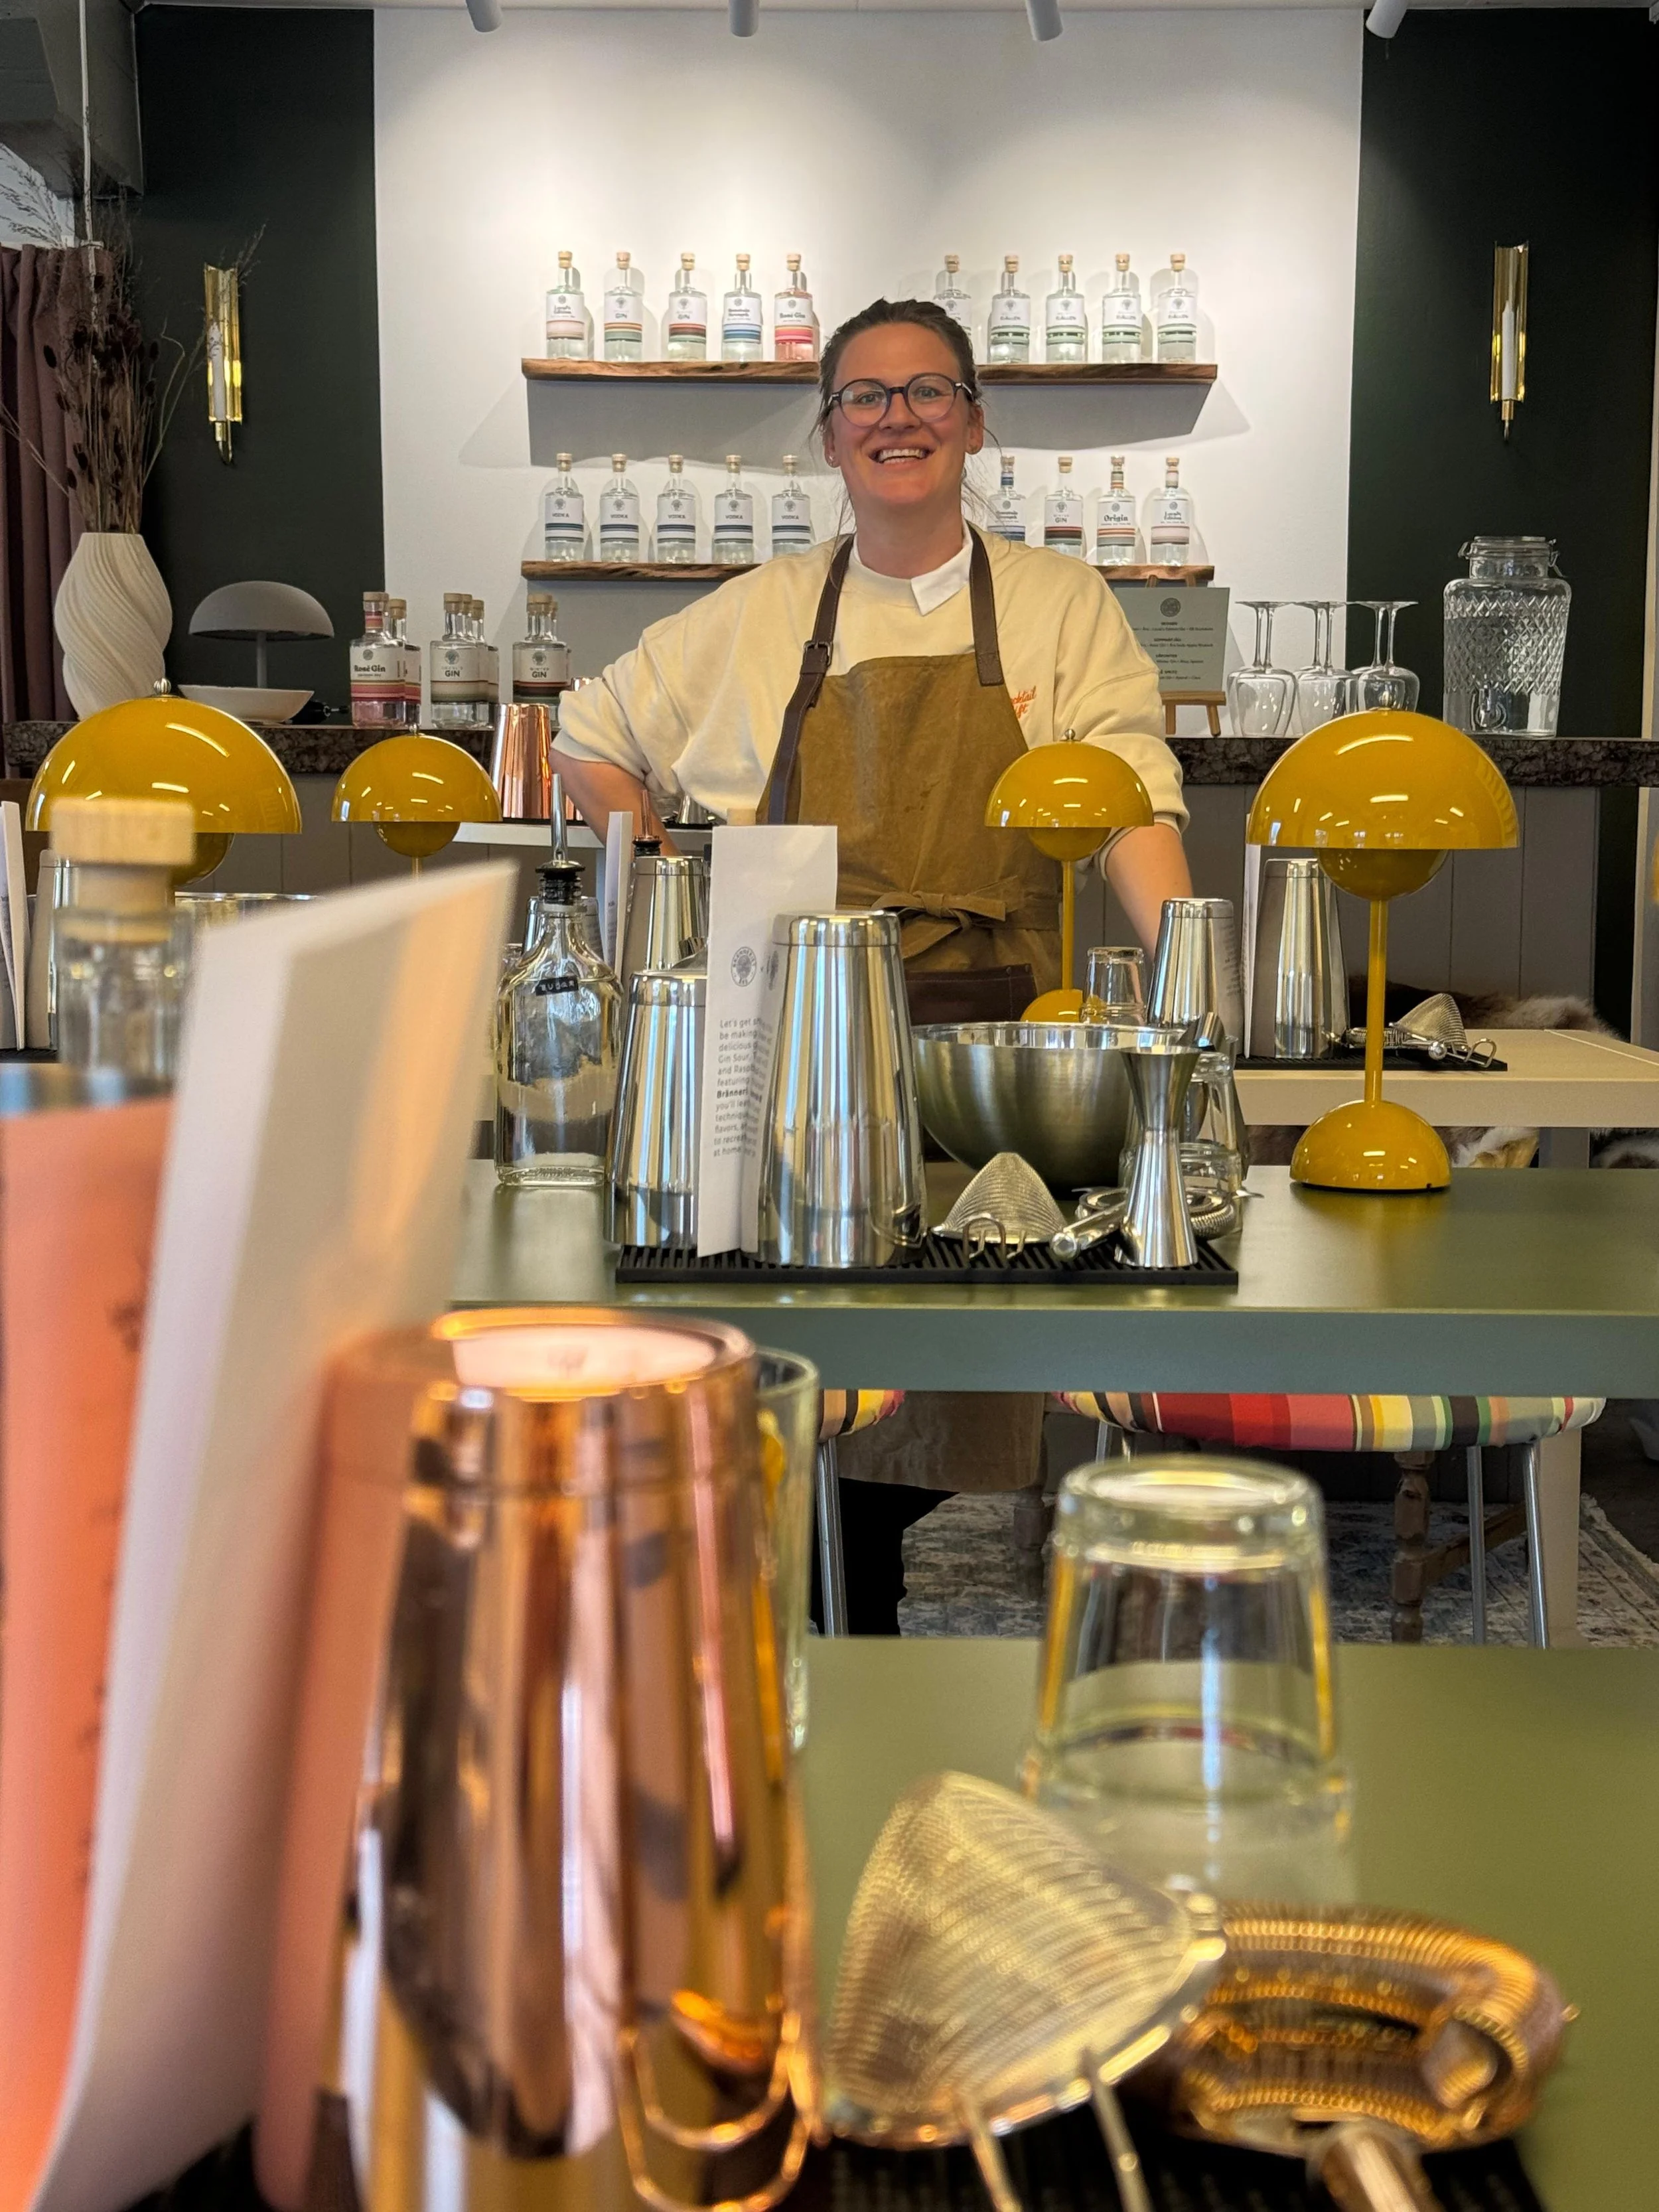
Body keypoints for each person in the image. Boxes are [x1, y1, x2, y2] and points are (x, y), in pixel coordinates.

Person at [555, 296, 1192, 1630]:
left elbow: (1130, 790)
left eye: (926, 391)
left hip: (990, 1062)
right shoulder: (760, 612)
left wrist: (1189, 982)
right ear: (827, 435)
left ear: (971, 420)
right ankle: (818, 1633)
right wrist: (661, 862)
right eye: (866, 396)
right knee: (800, 1364)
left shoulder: (1056, 604)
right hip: (790, 1050)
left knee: (945, 1355)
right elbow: (586, 733)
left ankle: (848, 1605)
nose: (896, 416)